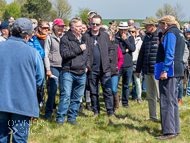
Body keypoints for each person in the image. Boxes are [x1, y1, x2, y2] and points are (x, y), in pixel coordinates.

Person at [0, 18, 44, 143]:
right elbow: (39, 79)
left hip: (1, 102)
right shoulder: (33, 53)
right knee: (19, 140)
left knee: (1, 138)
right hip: (23, 103)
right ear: (27, 35)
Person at [155, 15, 185, 140]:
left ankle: (168, 131)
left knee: (166, 101)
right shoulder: (179, 33)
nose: (159, 27)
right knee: (172, 100)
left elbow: (169, 53)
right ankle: (174, 129)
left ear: (165, 24)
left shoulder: (170, 33)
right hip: (178, 70)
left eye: (160, 24)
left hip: (170, 72)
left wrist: (165, 70)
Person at [56, 17, 90, 125]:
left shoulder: (83, 38)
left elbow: (88, 54)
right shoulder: (65, 38)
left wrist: (87, 65)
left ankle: (72, 118)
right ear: (72, 27)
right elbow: (64, 54)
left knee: (77, 97)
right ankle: (60, 119)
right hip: (69, 71)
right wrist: (79, 49)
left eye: (81, 26)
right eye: (78, 26)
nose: (81, 28)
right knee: (65, 96)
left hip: (82, 72)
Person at [86, 15, 117, 119]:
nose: (95, 26)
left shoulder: (104, 36)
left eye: (97, 24)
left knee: (108, 91)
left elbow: (111, 49)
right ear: (90, 24)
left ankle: (110, 112)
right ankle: (96, 112)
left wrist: (108, 60)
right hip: (92, 69)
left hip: (104, 69)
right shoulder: (86, 36)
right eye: (93, 24)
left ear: (100, 24)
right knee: (93, 92)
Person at [135, 17, 160, 122]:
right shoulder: (146, 37)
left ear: (153, 26)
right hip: (147, 70)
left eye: (147, 25)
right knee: (150, 96)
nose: (145, 27)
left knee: (160, 97)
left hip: (158, 72)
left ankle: (165, 118)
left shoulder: (161, 35)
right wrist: (138, 69)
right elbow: (141, 55)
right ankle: (153, 117)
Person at [44, 19, 66, 119]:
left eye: (62, 26)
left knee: (63, 91)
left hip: (64, 67)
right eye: (59, 26)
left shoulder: (64, 37)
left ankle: (61, 112)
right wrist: (48, 68)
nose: (61, 28)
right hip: (53, 67)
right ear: (54, 26)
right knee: (52, 90)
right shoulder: (49, 37)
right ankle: (48, 112)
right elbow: (46, 54)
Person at [115, 21, 136, 108]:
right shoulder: (115, 37)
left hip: (128, 65)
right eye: (121, 30)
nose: (123, 31)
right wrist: (125, 50)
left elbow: (132, 48)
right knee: (115, 84)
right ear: (119, 29)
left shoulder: (130, 37)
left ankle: (125, 102)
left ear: (127, 29)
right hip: (118, 65)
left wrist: (125, 40)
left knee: (126, 85)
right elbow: (116, 50)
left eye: (125, 30)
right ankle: (115, 103)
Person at [105, 29, 124, 110]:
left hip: (114, 71)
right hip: (105, 71)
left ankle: (116, 106)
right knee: (106, 89)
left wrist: (117, 67)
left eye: (108, 36)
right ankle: (108, 105)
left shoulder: (116, 46)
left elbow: (121, 59)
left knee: (113, 89)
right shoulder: (102, 47)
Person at [36, 19, 50, 107]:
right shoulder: (35, 39)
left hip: (47, 65)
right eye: (45, 28)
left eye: (48, 28)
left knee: (46, 84)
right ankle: (37, 101)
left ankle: (44, 102)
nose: (46, 30)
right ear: (40, 28)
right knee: (39, 84)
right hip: (38, 64)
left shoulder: (49, 38)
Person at [128, 26, 143, 103]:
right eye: (129, 31)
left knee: (137, 81)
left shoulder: (140, 42)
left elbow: (141, 53)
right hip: (127, 62)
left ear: (136, 32)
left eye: (133, 31)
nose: (131, 33)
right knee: (126, 81)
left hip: (135, 62)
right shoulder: (126, 40)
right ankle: (123, 97)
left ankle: (139, 97)